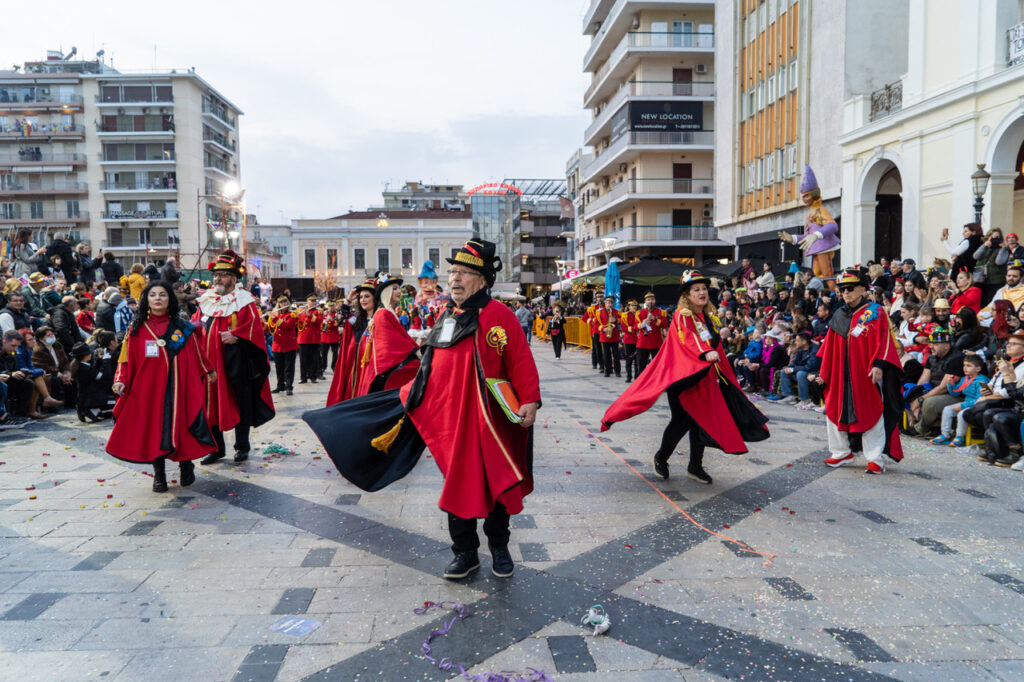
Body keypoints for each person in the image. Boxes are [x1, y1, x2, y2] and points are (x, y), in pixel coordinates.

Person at [304, 239, 540, 580]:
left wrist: (530, 399)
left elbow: (520, 361)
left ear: (483, 279)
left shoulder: (501, 316)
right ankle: (465, 553)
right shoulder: (447, 316)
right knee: (457, 485)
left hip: (491, 422)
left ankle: (499, 548)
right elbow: (431, 363)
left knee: (496, 484)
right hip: (451, 423)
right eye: (453, 272)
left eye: (464, 273)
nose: (455, 279)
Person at [602, 271, 770, 484]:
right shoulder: (683, 315)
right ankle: (661, 458)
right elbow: (689, 339)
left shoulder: (707, 317)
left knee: (700, 421)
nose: (702, 293)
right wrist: (705, 352)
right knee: (681, 421)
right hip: (684, 379)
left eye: (703, 289)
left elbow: (713, 342)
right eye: (696, 290)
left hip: (704, 378)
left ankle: (695, 466)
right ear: (687, 295)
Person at [107, 281, 217, 492]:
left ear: (170, 299)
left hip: (180, 385)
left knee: (182, 425)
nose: (158, 298)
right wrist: (120, 379)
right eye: (153, 295)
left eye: (163, 295)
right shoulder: (136, 329)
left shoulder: (182, 327)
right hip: (148, 388)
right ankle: (159, 475)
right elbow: (125, 359)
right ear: (146, 299)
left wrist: (208, 369)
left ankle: (186, 465)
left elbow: (197, 351)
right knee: (154, 430)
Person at [817, 268, 904, 474]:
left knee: (871, 411)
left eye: (850, 288)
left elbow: (885, 341)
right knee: (833, 409)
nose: (845, 292)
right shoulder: (838, 313)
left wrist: (879, 365)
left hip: (865, 371)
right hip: (839, 372)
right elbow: (830, 346)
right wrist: (823, 372)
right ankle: (841, 452)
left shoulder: (876, 312)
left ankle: (875, 458)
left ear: (863, 289)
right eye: (842, 289)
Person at [193, 250, 275, 466]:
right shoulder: (205, 301)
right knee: (210, 404)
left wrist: (237, 337)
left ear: (234, 277)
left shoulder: (244, 301)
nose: (218, 278)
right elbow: (195, 325)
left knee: (241, 403)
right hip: (209, 364)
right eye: (216, 274)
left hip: (236, 363)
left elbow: (255, 329)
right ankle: (217, 448)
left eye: (224, 274)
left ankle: (242, 446)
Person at [778, 165, 841, 286]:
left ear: (814, 194)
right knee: (817, 273)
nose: (804, 199)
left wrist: (817, 235)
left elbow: (833, 226)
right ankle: (823, 294)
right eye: (803, 196)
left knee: (827, 274)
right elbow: (808, 234)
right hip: (817, 247)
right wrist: (794, 238)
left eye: (807, 196)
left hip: (823, 246)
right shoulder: (812, 211)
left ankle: (833, 295)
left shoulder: (819, 210)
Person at [326, 279, 377, 406]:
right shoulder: (357, 319)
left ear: (375, 298)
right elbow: (339, 318)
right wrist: (348, 299)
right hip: (354, 364)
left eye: (367, 296)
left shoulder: (380, 317)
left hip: (371, 365)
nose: (363, 300)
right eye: (360, 297)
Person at [911, 329, 965, 437]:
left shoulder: (957, 358)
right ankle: (931, 426)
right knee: (909, 392)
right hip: (935, 391)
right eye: (930, 343)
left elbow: (944, 388)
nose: (931, 346)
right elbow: (923, 381)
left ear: (946, 345)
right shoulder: (931, 358)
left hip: (955, 395)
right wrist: (916, 396)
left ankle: (921, 428)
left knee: (930, 402)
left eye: (935, 344)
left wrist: (921, 399)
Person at [930, 355, 987, 447]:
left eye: (968, 365)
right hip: (966, 403)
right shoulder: (964, 379)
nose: (965, 368)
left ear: (978, 369)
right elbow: (955, 393)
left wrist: (962, 406)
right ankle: (945, 435)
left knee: (962, 414)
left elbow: (979, 400)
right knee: (947, 409)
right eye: (964, 365)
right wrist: (950, 384)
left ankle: (960, 437)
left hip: (977, 406)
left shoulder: (982, 381)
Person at [69, 342, 115, 422]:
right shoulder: (84, 368)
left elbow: (94, 370)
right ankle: (89, 410)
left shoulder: (82, 365)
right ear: (85, 355)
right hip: (91, 398)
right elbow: (101, 376)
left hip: (87, 397)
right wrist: (105, 361)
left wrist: (100, 360)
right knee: (114, 404)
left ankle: (86, 410)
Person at [779, 331, 820, 407]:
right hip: (802, 371)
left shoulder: (814, 350)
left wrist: (793, 369)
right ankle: (789, 397)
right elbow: (795, 362)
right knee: (784, 371)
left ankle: (805, 399)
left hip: (813, 373)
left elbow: (810, 367)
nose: (796, 342)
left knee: (800, 374)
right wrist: (790, 368)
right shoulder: (801, 349)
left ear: (804, 341)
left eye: (797, 341)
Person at [269, 297, 298, 395]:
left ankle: (289, 386)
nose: (283, 303)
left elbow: (286, 326)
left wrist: (274, 318)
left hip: (289, 344)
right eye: (281, 302)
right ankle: (280, 386)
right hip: (277, 345)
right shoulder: (276, 314)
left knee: (289, 367)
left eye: (285, 301)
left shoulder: (292, 314)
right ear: (278, 304)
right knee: (279, 367)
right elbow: (271, 329)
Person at [636, 291, 666, 373]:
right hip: (643, 342)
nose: (650, 301)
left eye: (652, 299)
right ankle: (641, 381)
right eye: (648, 300)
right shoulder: (640, 313)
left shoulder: (661, 312)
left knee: (657, 364)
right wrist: (643, 324)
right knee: (641, 364)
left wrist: (654, 319)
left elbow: (665, 324)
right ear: (645, 302)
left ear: (655, 300)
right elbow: (635, 326)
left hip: (656, 342)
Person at [297, 295, 322, 384]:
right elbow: (298, 323)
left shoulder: (318, 311)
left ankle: (313, 376)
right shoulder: (300, 310)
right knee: (303, 359)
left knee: (313, 358)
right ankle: (303, 377)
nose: (313, 302)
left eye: (314, 301)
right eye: (311, 301)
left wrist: (309, 315)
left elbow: (319, 321)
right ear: (307, 301)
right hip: (303, 338)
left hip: (314, 338)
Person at [597, 296, 621, 378]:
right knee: (606, 355)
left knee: (616, 354)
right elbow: (597, 324)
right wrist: (604, 329)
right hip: (604, 336)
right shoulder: (599, 312)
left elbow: (622, 320)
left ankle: (617, 371)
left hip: (614, 336)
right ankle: (607, 370)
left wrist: (616, 320)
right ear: (605, 304)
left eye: (611, 303)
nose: (609, 304)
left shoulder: (616, 312)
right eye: (607, 303)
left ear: (613, 304)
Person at [582, 299, 604, 372]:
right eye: (598, 297)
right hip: (594, 331)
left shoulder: (605, 307)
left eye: (601, 296)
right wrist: (591, 321)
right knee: (595, 348)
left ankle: (604, 364)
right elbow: (584, 318)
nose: (600, 298)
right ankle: (595, 363)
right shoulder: (591, 308)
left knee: (603, 349)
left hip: (604, 331)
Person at [620, 299, 639, 381]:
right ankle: (629, 376)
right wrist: (633, 328)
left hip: (638, 339)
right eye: (632, 306)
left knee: (637, 359)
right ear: (629, 307)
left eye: (635, 306)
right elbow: (623, 327)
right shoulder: (625, 315)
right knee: (629, 359)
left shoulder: (639, 314)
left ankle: (637, 376)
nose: (634, 307)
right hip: (629, 340)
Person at [319, 303, 340, 376]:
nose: (331, 308)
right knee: (324, 353)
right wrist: (323, 323)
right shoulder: (324, 314)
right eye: (329, 306)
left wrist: (332, 320)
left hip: (334, 336)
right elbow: (320, 325)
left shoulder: (337, 314)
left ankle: (334, 367)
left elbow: (337, 324)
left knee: (335, 353)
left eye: (332, 306)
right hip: (325, 337)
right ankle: (323, 366)